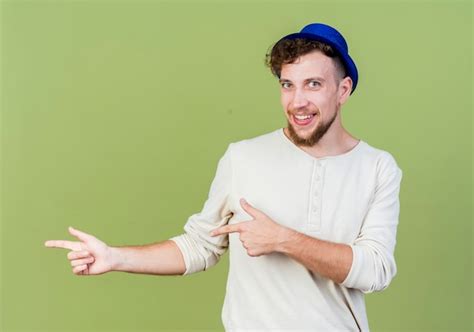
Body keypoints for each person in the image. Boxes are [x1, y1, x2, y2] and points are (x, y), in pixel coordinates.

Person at [45, 22, 403, 331]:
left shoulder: (377, 167)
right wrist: (115, 257)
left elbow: (375, 271)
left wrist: (283, 240)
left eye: (313, 84)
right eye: (287, 84)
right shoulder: (243, 157)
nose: (297, 101)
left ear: (343, 90)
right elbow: (200, 246)